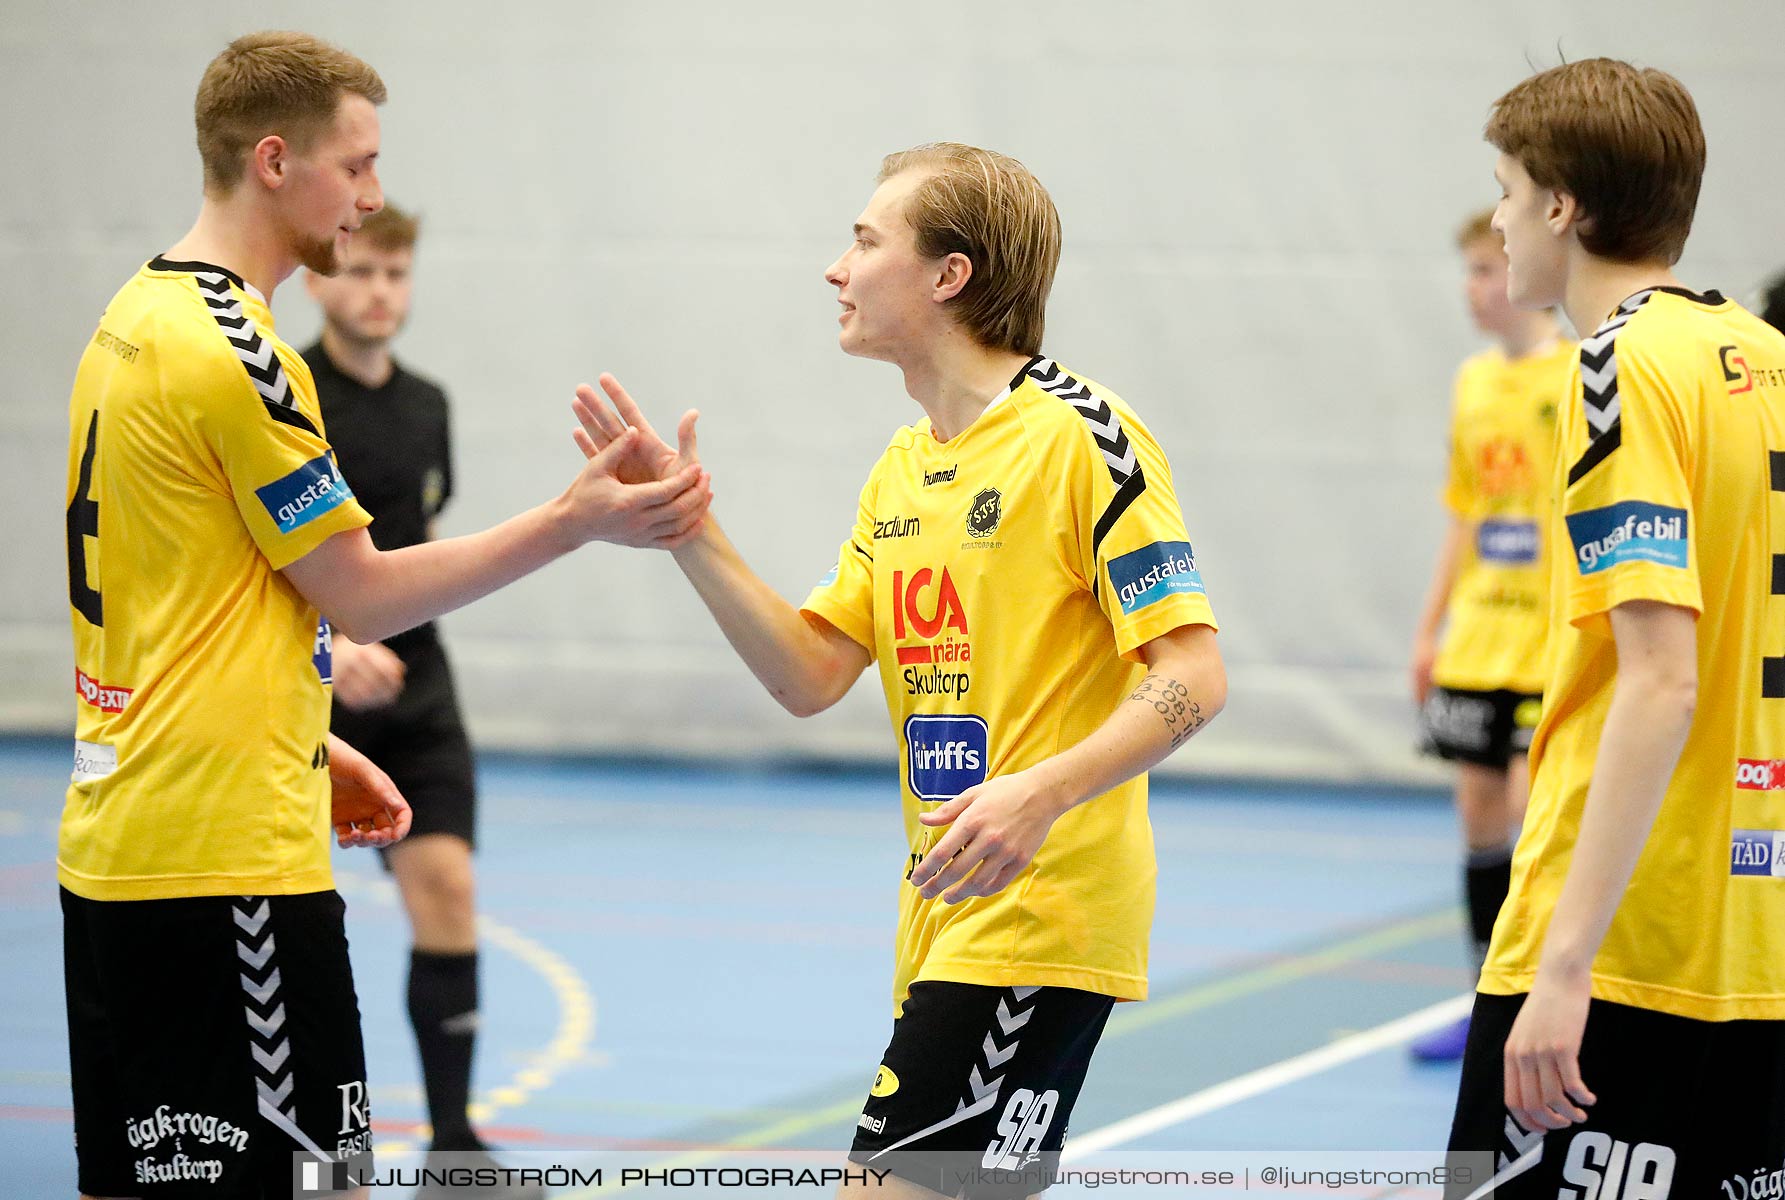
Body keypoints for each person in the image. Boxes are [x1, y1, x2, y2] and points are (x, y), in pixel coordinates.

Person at [60, 31, 707, 1200]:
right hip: (224, 870)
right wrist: (571, 520)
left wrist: (304, 742)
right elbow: (358, 590)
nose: (369, 198)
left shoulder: (128, 321)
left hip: (126, 845)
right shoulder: (240, 351)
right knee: (326, 1186)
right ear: (273, 162)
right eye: (355, 166)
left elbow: (188, 605)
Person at [571, 143, 1226, 1199]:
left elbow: (1194, 671)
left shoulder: (1080, 437)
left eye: (866, 241)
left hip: (1038, 911)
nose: (837, 268)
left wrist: (1039, 795)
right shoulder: (904, 466)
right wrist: (689, 527)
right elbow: (811, 672)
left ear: (948, 275)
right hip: (942, 911)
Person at [1445, 58, 1785, 1195]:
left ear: (1561, 206)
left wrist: (1563, 966)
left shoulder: (1619, 368)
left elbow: (1660, 682)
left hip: (1632, 935)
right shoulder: (1766, 360)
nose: (1498, 215)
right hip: (1755, 939)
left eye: (1505, 186)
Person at [301, 203, 532, 1196]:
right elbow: (254, 566)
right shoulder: (288, 401)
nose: (379, 292)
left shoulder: (429, 405)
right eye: (359, 272)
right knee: (291, 920)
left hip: (420, 690)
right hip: (304, 693)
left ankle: (454, 1144)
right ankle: (313, 1148)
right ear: (317, 280)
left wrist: (388, 643)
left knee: (448, 891)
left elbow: (419, 552)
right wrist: (331, 646)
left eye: (396, 273)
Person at [1407, 211, 1573, 1062]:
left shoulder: (1578, 377)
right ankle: (1483, 995)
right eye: (1466, 271)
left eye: (1482, 270)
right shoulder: (1473, 383)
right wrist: (1429, 628)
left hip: (1550, 642)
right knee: (1476, 814)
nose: (1472, 289)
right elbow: (1463, 513)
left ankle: (1541, 994)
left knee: (1529, 810)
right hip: (1480, 636)